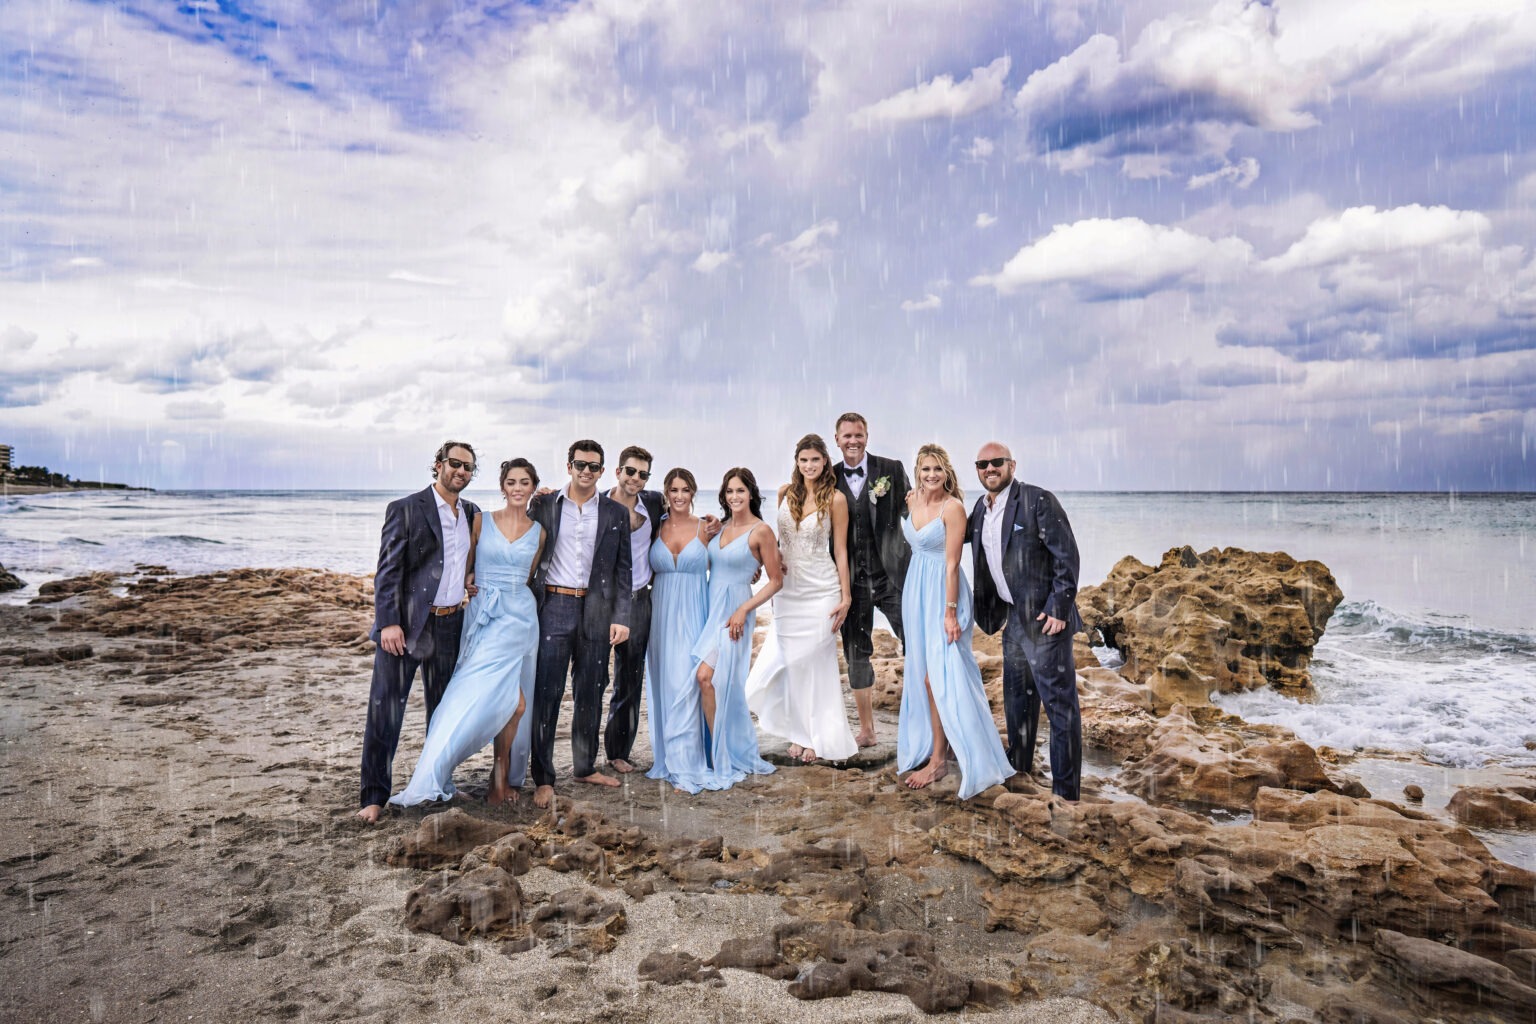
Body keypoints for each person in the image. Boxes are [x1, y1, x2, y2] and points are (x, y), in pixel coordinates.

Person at [389, 459, 543, 807]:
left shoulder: (540, 531)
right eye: (511, 482)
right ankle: (434, 773)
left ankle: (499, 781)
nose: (518, 489)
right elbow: (464, 567)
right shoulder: (479, 520)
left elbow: (528, 578)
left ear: (534, 488)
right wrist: (469, 586)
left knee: (518, 706)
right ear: (502, 486)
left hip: (520, 619)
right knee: (470, 696)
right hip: (484, 617)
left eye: (525, 483)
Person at [358, 441, 481, 823]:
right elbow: (388, 571)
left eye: (468, 467)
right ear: (439, 464)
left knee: (443, 713)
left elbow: (468, 558)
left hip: (450, 624)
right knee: (385, 710)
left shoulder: (472, 513)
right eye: (455, 463)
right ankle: (374, 796)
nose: (461, 471)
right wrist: (388, 622)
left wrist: (469, 580)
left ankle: (439, 783)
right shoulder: (407, 509)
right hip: (408, 626)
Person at [968, 442, 1084, 801]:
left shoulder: (1037, 501)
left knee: (1059, 706)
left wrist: (1059, 608)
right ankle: (1019, 768)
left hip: (1046, 621)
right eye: (983, 464)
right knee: (1018, 699)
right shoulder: (979, 509)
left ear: (1012, 465)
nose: (990, 468)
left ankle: (1066, 793)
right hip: (1012, 620)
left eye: (997, 462)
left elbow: (1067, 556)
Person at [896, 444, 1013, 799]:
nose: (932, 475)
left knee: (942, 676)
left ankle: (941, 759)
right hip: (915, 591)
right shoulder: (912, 500)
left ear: (947, 472)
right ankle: (938, 748)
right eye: (926, 469)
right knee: (922, 674)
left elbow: (950, 564)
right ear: (918, 470)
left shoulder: (954, 508)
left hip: (944, 594)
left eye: (938, 469)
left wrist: (950, 612)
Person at [527, 441, 633, 809]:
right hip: (553, 604)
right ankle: (543, 778)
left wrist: (622, 617)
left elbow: (624, 569)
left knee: (591, 689)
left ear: (603, 471)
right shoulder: (543, 504)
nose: (586, 472)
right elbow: (524, 545)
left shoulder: (616, 513)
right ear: (568, 465)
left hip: (597, 609)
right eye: (580, 464)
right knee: (547, 692)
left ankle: (584, 766)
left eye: (594, 466)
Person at [746, 434, 856, 763]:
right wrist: (761, 567)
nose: (809, 465)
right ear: (797, 461)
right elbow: (777, 543)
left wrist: (846, 596)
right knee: (793, 664)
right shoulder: (784, 493)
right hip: (789, 590)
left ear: (825, 462)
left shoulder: (835, 500)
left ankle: (817, 737)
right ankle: (799, 733)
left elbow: (840, 550)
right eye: (804, 459)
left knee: (816, 662)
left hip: (822, 589)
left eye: (816, 460)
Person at [692, 467, 783, 789]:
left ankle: (724, 756)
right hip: (709, 609)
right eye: (729, 491)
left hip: (735, 615)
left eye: (740, 491)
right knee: (710, 683)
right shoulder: (721, 528)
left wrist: (744, 610)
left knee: (710, 679)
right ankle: (720, 751)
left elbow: (776, 580)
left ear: (751, 494)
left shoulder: (761, 531)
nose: (734, 497)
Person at [831, 412, 911, 747]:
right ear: (836, 440)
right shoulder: (828, 476)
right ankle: (867, 729)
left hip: (892, 575)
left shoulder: (890, 470)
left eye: (858, 435)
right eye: (846, 436)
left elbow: (916, 510)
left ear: (867, 436)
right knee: (855, 652)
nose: (853, 441)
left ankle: (925, 721)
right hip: (851, 581)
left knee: (917, 641)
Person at [645, 468, 713, 793]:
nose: (679, 495)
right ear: (666, 493)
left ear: (694, 492)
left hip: (695, 612)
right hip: (660, 613)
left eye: (685, 489)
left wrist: (760, 567)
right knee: (666, 683)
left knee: (687, 682)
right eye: (673, 490)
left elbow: (730, 558)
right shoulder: (653, 526)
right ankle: (669, 757)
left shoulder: (707, 528)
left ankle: (687, 764)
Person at [602, 445, 664, 776]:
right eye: (630, 471)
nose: (635, 479)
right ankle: (581, 757)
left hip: (640, 601)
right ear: (618, 471)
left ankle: (617, 752)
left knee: (629, 680)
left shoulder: (654, 503)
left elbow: (683, 520)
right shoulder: (596, 504)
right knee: (594, 679)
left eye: (642, 474)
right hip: (600, 604)